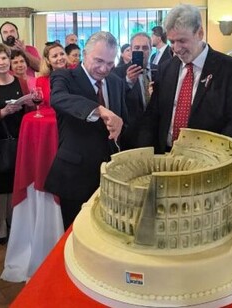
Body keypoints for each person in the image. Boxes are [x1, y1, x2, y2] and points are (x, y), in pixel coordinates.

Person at [138, 4, 232, 154]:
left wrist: (215, 156)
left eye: (182, 41)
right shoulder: (166, 68)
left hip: (207, 161)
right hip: (165, 157)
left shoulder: (230, 69)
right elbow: (152, 116)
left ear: (200, 33)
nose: (176, 49)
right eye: (172, 42)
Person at [44, 31, 127, 230]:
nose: (103, 68)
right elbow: (58, 99)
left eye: (109, 63)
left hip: (108, 175)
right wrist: (98, 109)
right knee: (75, 233)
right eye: (98, 61)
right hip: (75, 175)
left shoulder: (116, 82)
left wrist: (121, 124)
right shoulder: (64, 77)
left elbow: (124, 118)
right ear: (85, 54)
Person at [0, 43, 35, 245]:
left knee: (14, 183)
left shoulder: (21, 83)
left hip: (20, 139)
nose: (2, 62)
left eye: (5, 58)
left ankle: (13, 219)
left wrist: (29, 103)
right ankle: (1, 223)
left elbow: (29, 113)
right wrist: (2, 113)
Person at [113, 33, 152, 150]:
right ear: (130, 50)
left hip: (154, 134)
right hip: (129, 136)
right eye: (137, 48)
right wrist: (128, 82)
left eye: (145, 48)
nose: (141, 51)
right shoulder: (117, 73)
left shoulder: (161, 70)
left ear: (151, 49)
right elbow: (114, 99)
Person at [36, 42, 67, 107]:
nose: (60, 58)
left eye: (62, 54)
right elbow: (41, 105)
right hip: (50, 115)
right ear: (48, 61)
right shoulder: (41, 81)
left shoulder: (75, 75)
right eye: (55, 56)